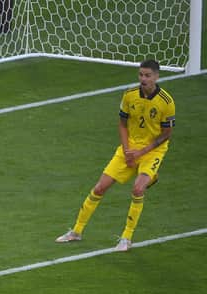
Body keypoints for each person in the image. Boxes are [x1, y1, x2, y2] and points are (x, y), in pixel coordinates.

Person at [55, 59, 175, 251]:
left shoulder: (166, 102)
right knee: (100, 187)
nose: (143, 79)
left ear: (156, 76)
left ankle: (126, 238)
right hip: (129, 149)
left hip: (152, 151)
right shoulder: (129, 95)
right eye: (141, 75)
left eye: (147, 75)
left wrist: (141, 152)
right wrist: (127, 150)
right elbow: (122, 124)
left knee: (137, 189)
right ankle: (76, 231)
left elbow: (167, 134)